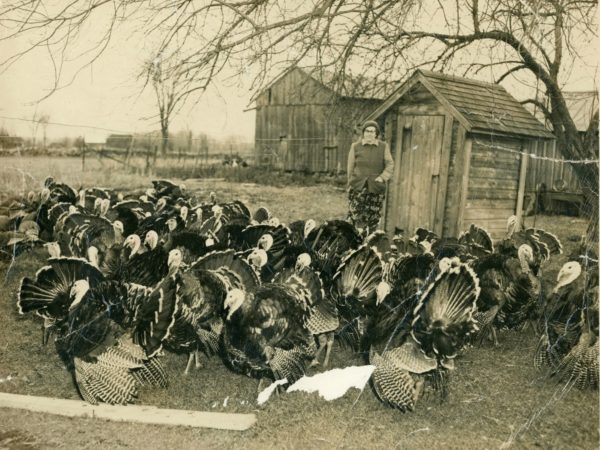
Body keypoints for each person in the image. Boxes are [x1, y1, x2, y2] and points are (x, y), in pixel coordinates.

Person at [346, 120, 394, 236]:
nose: (369, 134)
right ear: (363, 133)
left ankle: (369, 241)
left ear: (376, 134)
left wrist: (383, 177)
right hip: (358, 187)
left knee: (373, 217)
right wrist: (351, 182)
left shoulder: (383, 146)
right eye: (367, 131)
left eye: (372, 131)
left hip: (376, 188)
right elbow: (350, 167)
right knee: (355, 216)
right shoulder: (355, 146)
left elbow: (390, 164)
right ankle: (354, 241)